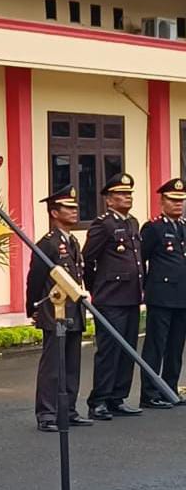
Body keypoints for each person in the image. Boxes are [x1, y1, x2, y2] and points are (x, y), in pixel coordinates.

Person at [26, 185, 93, 432]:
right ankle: (47, 413)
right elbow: (35, 279)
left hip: (74, 309)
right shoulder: (48, 244)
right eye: (68, 207)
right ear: (54, 212)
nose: (75, 211)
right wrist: (32, 307)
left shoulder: (72, 241)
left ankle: (69, 410)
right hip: (55, 311)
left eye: (75, 207)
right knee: (53, 365)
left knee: (72, 365)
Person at [82, 173, 143, 420]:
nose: (127, 197)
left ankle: (117, 397)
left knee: (128, 350)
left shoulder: (132, 223)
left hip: (131, 296)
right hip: (110, 298)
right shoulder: (103, 224)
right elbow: (88, 259)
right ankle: (99, 400)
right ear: (109, 199)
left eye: (129, 194)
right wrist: (95, 288)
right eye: (121, 194)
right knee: (109, 351)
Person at [139, 178, 186, 409]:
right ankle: (149, 393)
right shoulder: (153, 228)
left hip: (182, 297)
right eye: (173, 200)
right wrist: (143, 289)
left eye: (181, 200)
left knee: (176, 347)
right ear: (162, 201)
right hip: (161, 296)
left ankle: (170, 389)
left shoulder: (184, 226)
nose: (178, 204)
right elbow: (141, 260)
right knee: (155, 346)